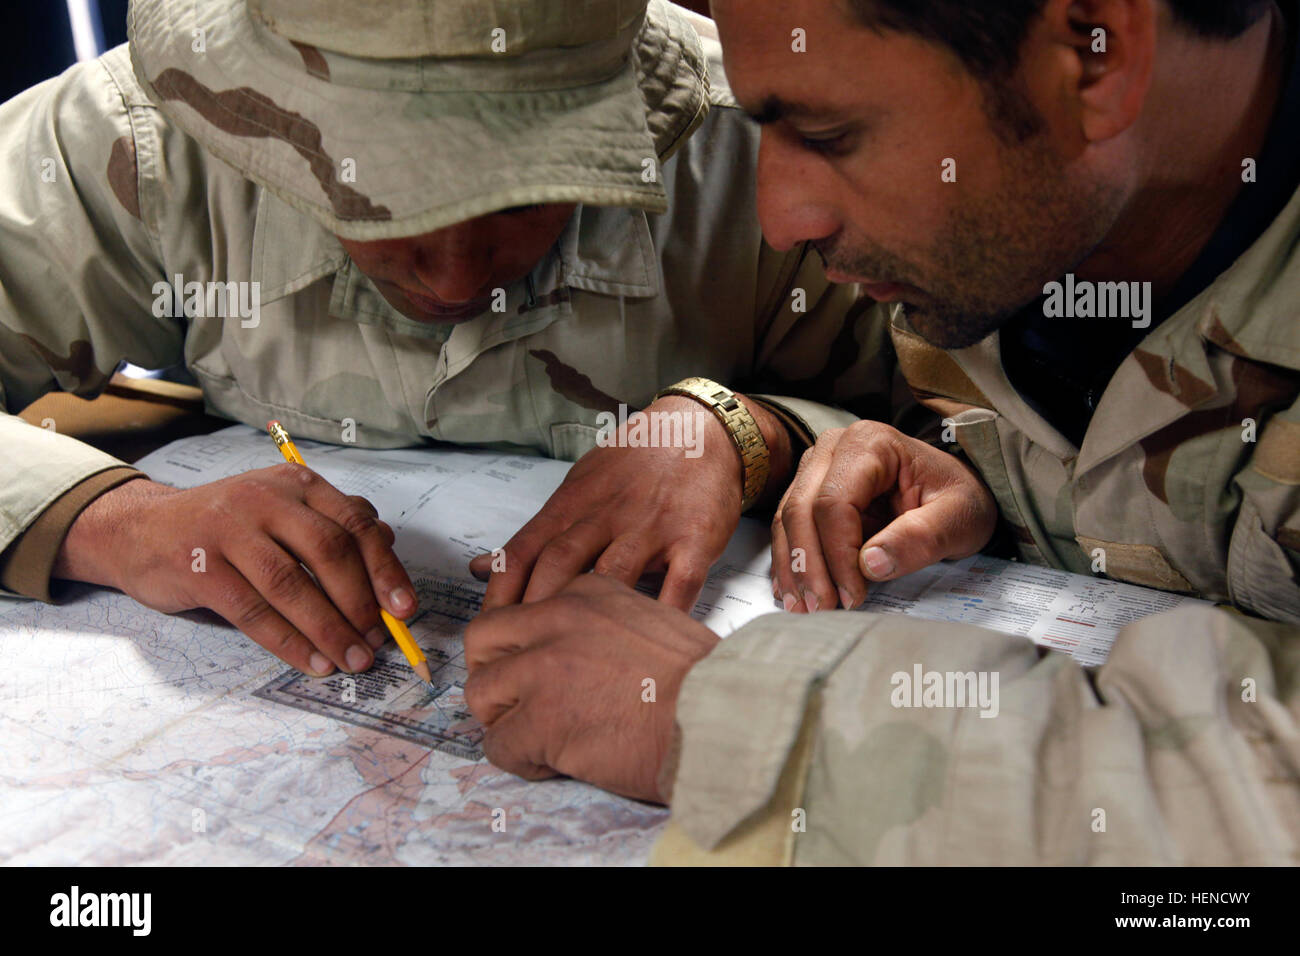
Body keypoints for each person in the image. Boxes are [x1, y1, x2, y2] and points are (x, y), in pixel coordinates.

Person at [462, 0, 1300, 864]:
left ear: (1095, 52)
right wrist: (903, 465)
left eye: (825, 134)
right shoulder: (1019, 227)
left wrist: (729, 725)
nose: (781, 220)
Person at [0, 0, 893, 679]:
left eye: (526, 193)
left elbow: (946, 442)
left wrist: (751, 432)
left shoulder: (762, 153)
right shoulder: (148, 141)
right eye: (380, 195)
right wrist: (115, 522)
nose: (458, 277)